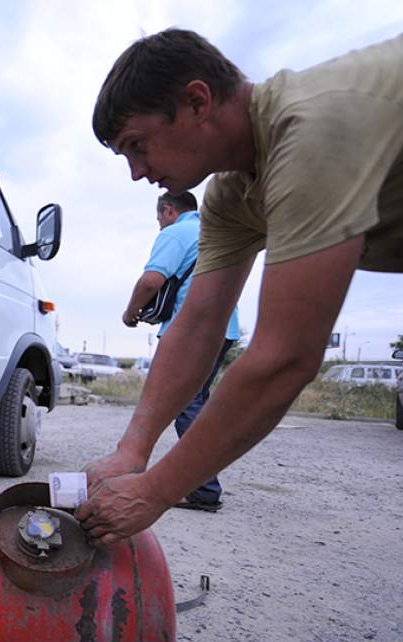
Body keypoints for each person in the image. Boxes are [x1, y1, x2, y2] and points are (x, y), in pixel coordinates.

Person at [76, 29, 403, 547]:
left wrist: (155, 490)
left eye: (137, 146)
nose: (137, 172)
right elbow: (198, 323)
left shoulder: (309, 131)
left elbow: (285, 358)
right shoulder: (231, 193)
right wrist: (133, 449)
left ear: (197, 101)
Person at [122, 190, 241, 511]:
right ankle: (201, 481)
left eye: (159, 217)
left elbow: (151, 281)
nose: (159, 224)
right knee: (196, 402)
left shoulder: (178, 232)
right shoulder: (217, 230)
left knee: (185, 404)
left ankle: (203, 490)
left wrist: (130, 312)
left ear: (169, 210)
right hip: (225, 328)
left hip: (193, 330)